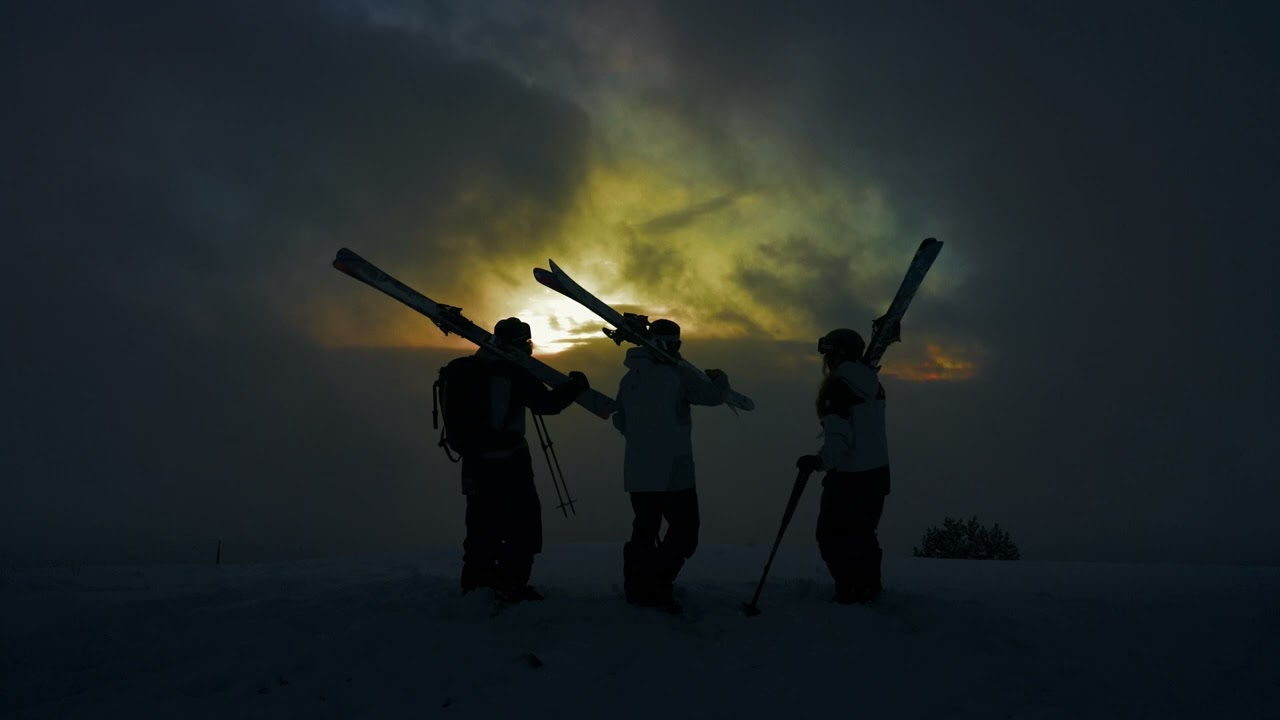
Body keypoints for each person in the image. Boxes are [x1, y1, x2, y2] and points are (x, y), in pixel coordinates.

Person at [451, 317, 589, 602]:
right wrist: (574, 387)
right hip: (510, 461)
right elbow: (547, 404)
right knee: (521, 523)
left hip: (475, 459)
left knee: (481, 521)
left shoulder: (467, 369)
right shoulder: (513, 371)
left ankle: (477, 584)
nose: (529, 348)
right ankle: (513, 584)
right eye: (526, 343)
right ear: (520, 345)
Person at [610, 319, 730, 611]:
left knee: (645, 529)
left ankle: (636, 587)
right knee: (685, 530)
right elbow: (713, 397)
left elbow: (620, 420)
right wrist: (721, 379)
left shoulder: (630, 378)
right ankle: (657, 585)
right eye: (674, 343)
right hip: (674, 472)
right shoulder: (677, 375)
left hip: (638, 472)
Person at [795, 328, 891, 604]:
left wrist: (820, 461)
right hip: (878, 473)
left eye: (827, 352)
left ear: (834, 355)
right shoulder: (873, 384)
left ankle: (849, 589)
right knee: (862, 534)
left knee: (830, 535)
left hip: (849, 478)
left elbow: (839, 439)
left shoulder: (838, 388)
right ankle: (869, 587)